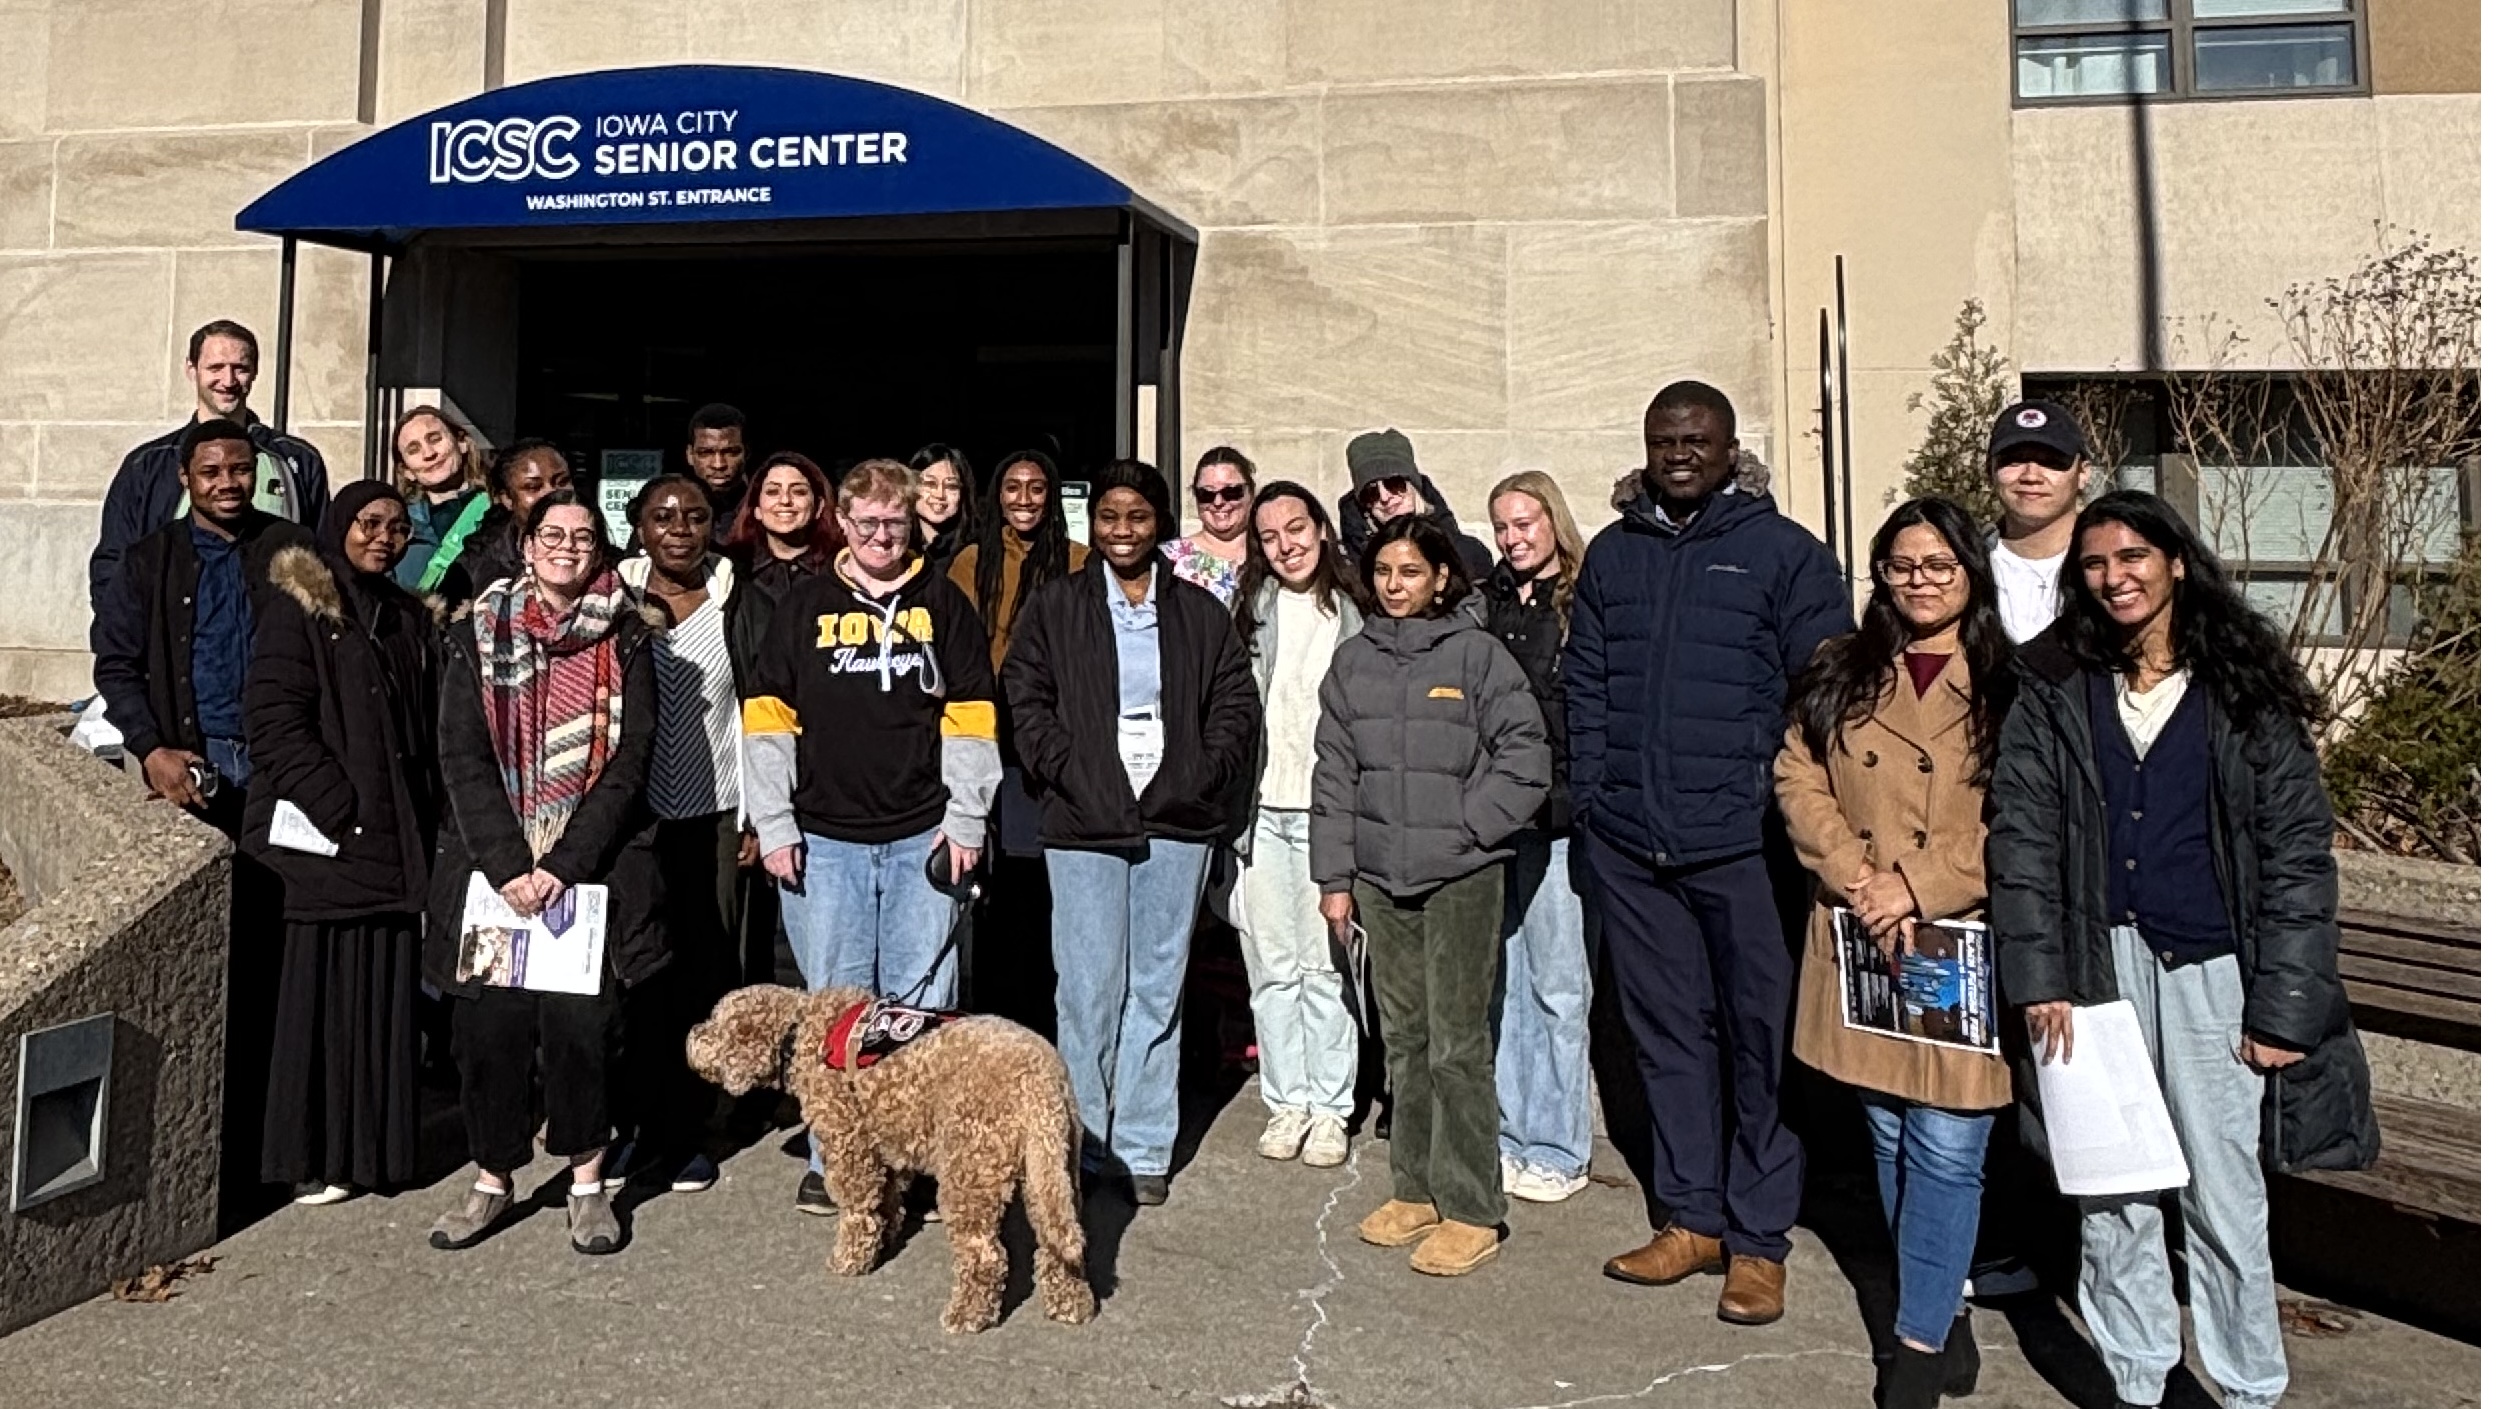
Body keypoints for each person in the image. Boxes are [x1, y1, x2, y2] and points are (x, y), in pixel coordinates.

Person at [1991, 491, 2372, 1409]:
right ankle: (2137, 1381)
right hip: (2094, 972)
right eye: (2092, 564)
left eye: (2130, 558)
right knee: (2112, 1196)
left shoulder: (2242, 689)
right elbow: (2023, 837)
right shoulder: (2057, 686)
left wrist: (2282, 1008)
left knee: (2220, 1197)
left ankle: (2246, 1386)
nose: (2113, 577)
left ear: (2171, 561)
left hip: (2211, 976)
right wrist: (2040, 977)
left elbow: (2294, 858)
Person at [1565, 379, 1852, 1327]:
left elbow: (1823, 697)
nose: (1679, 452)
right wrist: (1598, 798)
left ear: (1733, 448)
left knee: (1759, 1040)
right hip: (1633, 846)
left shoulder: (1784, 555)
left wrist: (1774, 810)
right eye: (1663, 438)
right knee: (1666, 1036)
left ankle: (1758, 1237)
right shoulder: (1612, 556)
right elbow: (1588, 687)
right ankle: (1690, 1215)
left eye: (1697, 438)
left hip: (1744, 847)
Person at [1773, 498, 2014, 1407]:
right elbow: (1796, 771)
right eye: (1901, 564)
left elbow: (2023, 817)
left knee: (1949, 1146)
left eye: (1938, 564)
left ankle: (1913, 1346)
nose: (1919, 580)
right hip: (1858, 926)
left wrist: (1916, 882)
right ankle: (1941, 1303)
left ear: (1969, 573)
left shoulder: (2007, 680)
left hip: (1959, 936)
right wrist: (1854, 873)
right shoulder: (1841, 668)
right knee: (1888, 1131)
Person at [743, 457, 1002, 1215]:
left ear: (913, 521)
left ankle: (914, 1160)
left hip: (923, 833)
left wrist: (965, 819)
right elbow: (765, 721)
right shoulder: (805, 605)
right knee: (837, 1008)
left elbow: (971, 716)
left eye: (895, 522)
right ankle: (836, 1160)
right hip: (824, 841)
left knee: (921, 1009)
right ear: (844, 524)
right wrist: (775, 823)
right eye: (868, 523)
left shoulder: (942, 604)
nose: (882, 535)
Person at [1000, 460, 1258, 1207]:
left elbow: (1233, 701)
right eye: (1109, 516)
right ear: (1094, 524)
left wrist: (1198, 773)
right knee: (1086, 988)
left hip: (1174, 818)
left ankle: (1144, 1142)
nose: (1122, 530)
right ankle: (1081, 1140)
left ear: (1159, 523)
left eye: (1137, 517)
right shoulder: (1057, 605)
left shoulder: (1199, 611)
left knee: (1155, 986)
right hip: (1084, 818)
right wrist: (1065, 767)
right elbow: (1025, 691)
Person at [425, 492, 662, 1257]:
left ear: (600, 551)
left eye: (583, 537)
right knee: (487, 1028)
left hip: (582, 872)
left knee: (580, 1029)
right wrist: (505, 865)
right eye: (552, 534)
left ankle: (587, 1181)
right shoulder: (476, 633)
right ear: (526, 546)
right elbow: (460, 754)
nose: (567, 546)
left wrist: (562, 863)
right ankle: (493, 1176)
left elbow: (630, 761)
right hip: (497, 875)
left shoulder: (625, 635)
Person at [91, 416, 314, 1229]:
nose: (227, 482)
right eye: (211, 470)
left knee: (275, 960)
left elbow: (330, 646)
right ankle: (200, 1157)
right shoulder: (153, 559)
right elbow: (115, 663)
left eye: (239, 470)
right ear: (186, 477)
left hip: (280, 769)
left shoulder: (291, 548)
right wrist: (148, 747)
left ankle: (270, 1151)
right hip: (193, 768)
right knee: (204, 959)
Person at [1315, 515, 1548, 1277]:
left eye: (1410, 571)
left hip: (1459, 877)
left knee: (1456, 1042)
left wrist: (1469, 829)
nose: (1394, 585)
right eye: (1383, 571)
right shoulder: (1352, 663)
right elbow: (1333, 776)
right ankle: (1412, 1187)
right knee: (1404, 1043)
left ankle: (1472, 1204)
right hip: (1382, 879)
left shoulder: (1476, 655)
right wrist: (1335, 879)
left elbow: (1525, 755)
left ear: (1440, 577)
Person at [244, 482, 439, 1207]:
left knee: (381, 995)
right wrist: (341, 808)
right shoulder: (299, 608)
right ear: (339, 526)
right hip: (324, 843)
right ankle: (312, 1154)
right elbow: (273, 720)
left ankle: (374, 1152)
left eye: (396, 527)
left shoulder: (405, 616)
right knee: (318, 1002)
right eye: (369, 524)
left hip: (392, 843)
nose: (383, 538)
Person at [615, 474, 747, 1196]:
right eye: (662, 516)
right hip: (635, 816)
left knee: (705, 969)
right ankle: (639, 1122)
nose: (678, 528)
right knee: (639, 973)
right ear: (638, 526)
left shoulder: (735, 603)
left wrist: (756, 813)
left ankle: (694, 1126)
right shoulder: (616, 599)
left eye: (694, 516)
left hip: (715, 809)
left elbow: (753, 711)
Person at [1230, 482, 1365, 1168]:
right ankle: (1287, 1100)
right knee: (1272, 966)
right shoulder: (1251, 609)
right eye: (1269, 536)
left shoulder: (1353, 611)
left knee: (1326, 964)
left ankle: (1331, 1106)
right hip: (1262, 812)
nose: (1285, 546)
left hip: (1326, 814)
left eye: (1295, 528)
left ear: (1320, 527)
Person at [1482, 471, 1595, 1204]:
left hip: (1559, 818)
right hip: (1498, 815)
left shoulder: (1581, 601)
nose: (1513, 537)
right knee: (1506, 983)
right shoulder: (1488, 603)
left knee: (1557, 984)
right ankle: (1510, 1133)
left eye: (1525, 522)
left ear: (1552, 520)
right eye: (1501, 525)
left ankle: (1558, 1142)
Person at [89, 319, 330, 613]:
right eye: (215, 368)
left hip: (272, 640)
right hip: (177, 640)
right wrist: (117, 641)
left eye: (239, 368)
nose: (228, 381)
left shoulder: (297, 461)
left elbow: (323, 555)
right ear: (191, 369)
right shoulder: (148, 464)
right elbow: (113, 564)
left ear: (255, 372)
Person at [722, 450, 843, 987]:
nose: (785, 502)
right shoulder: (730, 573)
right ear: (756, 504)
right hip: (749, 751)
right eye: (773, 491)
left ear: (819, 504)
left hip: (825, 759)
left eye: (798, 491)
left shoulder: (844, 572)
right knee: (751, 927)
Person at [1986, 400, 2091, 643]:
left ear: (2083, 473)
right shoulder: (1966, 565)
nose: (2031, 476)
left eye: (2051, 462)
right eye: (2013, 460)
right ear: (1989, 472)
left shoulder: (2113, 564)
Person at [1333, 429, 1495, 584]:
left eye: (1394, 484)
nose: (1384, 497)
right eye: (1371, 493)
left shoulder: (1468, 553)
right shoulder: (1348, 567)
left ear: (1414, 486)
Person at [437, 439, 575, 605]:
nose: (552, 494)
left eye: (562, 482)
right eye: (533, 487)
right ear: (507, 498)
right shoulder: (473, 570)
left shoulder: (606, 562)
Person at [391, 405, 492, 594]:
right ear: (406, 471)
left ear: (462, 443)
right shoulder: (398, 530)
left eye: (435, 439)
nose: (429, 454)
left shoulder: (497, 511)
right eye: (414, 450)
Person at [1163, 446, 1257, 605]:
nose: (1218, 502)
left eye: (1231, 492)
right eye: (1206, 494)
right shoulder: (1168, 559)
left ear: (1251, 492)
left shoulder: (1273, 552)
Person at [686, 403, 750, 543]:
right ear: (690, 455)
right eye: (706, 453)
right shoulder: (672, 513)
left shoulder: (765, 510)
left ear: (747, 453)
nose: (718, 464)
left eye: (730, 452)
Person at [908, 443, 971, 563]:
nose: (940, 494)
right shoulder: (895, 546)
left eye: (951, 486)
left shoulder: (975, 550)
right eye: (930, 484)